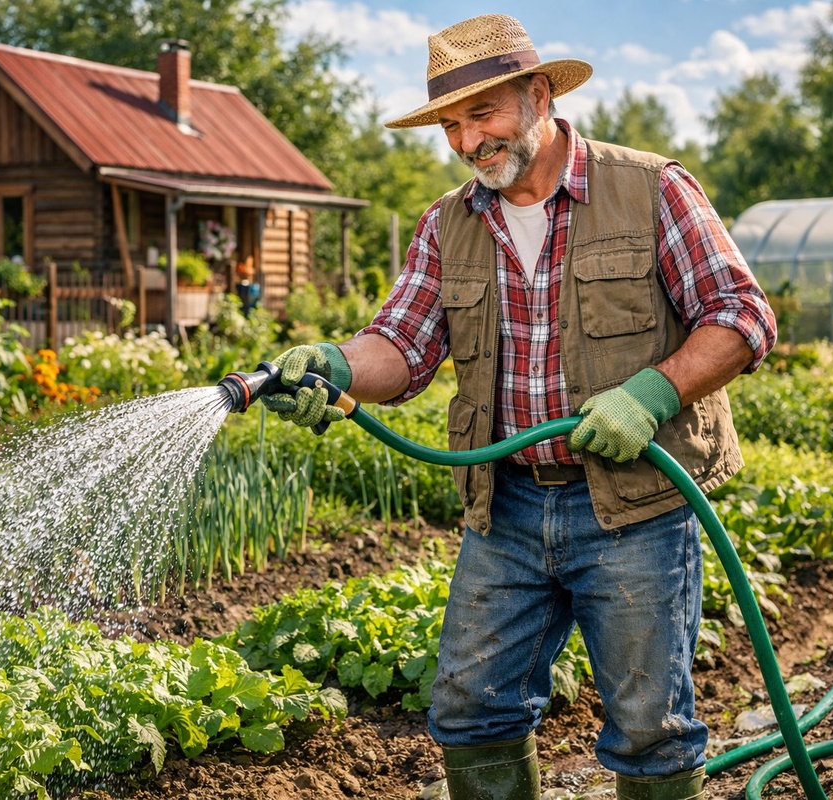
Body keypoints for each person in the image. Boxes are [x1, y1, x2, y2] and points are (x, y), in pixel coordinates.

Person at [262, 13, 776, 800]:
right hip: (505, 513)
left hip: (633, 510)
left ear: (539, 95)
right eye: (452, 125)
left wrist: (653, 391)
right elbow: (401, 344)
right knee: (471, 711)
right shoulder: (448, 224)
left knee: (649, 730)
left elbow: (742, 314)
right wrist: (335, 362)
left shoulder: (650, 188)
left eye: (484, 113)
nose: (470, 141)